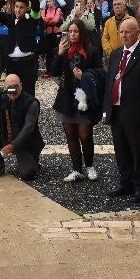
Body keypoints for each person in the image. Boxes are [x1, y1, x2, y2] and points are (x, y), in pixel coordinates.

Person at [103, 18, 140, 203]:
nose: (124, 35)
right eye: (121, 32)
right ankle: (125, 182)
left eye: (127, 32)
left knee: (138, 151)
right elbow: (110, 82)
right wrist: (107, 109)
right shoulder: (116, 54)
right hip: (117, 110)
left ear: (137, 33)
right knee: (121, 150)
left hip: (136, 112)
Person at [51, 18, 105, 182]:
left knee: (85, 134)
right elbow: (53, 71)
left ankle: (89, 166)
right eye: (70, 31)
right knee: (70, 134)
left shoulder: (92, 50)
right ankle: (76, 169)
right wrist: (59, 53)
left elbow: (101, 73)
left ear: (82, 33)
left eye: (76, 31)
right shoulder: (65, 50)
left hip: (84, 96)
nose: (73, 34)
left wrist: (84, 76)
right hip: (67, 96)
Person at [0, 73, 46, 179]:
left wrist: (13, 145)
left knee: (27, 174)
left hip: (25, 141)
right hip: (6, 136)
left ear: (21, 86)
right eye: (10, 87)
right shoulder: (2, 99)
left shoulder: (31, 102)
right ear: (6, 88)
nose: (13, 89)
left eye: (16, 86)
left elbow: (28, 128)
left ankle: (33, 161)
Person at [0, 0, 42, 95]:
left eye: (21, 7)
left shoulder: (32, 19)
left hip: (27, 62)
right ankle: (13, 112)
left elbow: (35, 0)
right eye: (17, 7)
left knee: (28, 91)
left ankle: (30, 111)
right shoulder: (10, 19)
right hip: (11, 62)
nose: (18, 10)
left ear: (27, 9)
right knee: (12, 91)